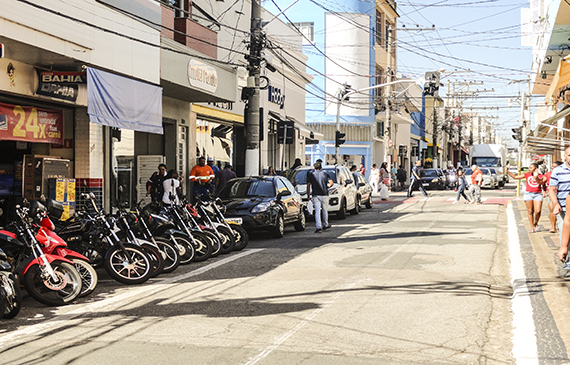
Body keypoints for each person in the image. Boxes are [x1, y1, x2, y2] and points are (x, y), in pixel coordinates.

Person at [508, 162, 545, 232]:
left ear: (536, 169)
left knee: (538, 211)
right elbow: (515, 177)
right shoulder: (527, 175)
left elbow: (541, 183)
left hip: (538, 194)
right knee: (530, 211)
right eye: (529, 168)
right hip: (528, 194)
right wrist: (507, 171)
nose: (529, 169)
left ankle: (536, 223)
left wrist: (536, 177)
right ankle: (532, 227)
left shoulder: (541, 176)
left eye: (531, 168)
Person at [550, 146, 570, 245]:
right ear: (565, 156)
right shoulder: (558, 171)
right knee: (565, 240)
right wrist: (556, 204)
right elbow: (552, 190)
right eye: (569, 155)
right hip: (563, 210)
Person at [307, 161, 333, 233]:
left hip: (315, 195)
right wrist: (327, 187)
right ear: (321, 168)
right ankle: (325, 224)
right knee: (325, 210)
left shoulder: (311, 175)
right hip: (324, 194)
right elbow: (331, 183)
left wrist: (308, 195)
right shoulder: (325, 174)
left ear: (314, 168)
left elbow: (308, 185)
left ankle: (318, 227)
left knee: (317, 211)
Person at [545, 161, 563, 233]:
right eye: (552, 167)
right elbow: (542, 181)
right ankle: (553, 227)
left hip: (562, 194)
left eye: (555, 167)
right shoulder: (548, 174)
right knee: (552, 210)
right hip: (552, 194)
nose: (553, 168)